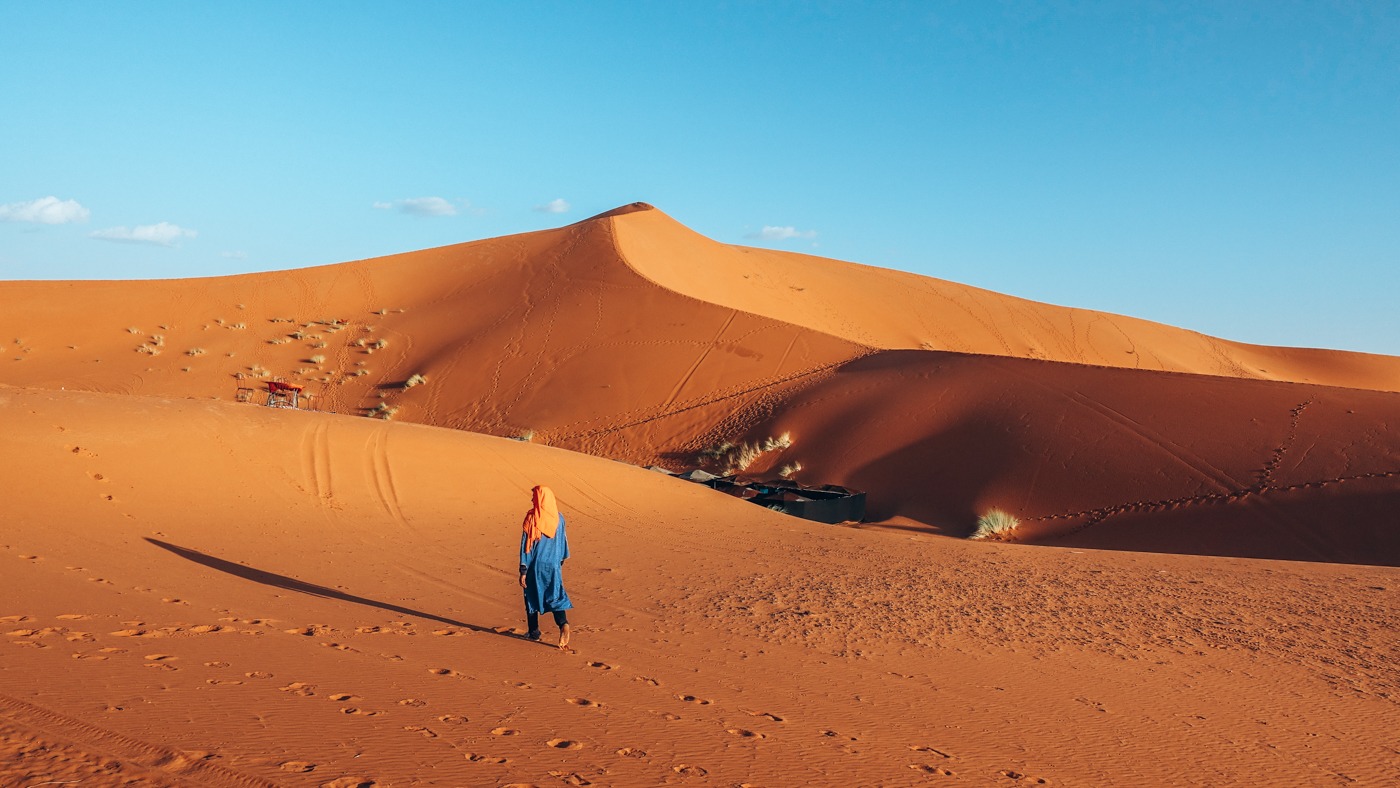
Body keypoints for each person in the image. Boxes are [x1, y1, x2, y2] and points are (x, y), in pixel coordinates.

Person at [518, 485, 572, 648]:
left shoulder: (532, 518)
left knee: (531, 595)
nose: (532, 499)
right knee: (554, 595)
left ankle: (534, 632)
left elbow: (525, 546)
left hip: (535, 564)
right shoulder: (559, 518)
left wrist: (523, 570)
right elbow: (563, 541)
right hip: (553, 565)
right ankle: (563, 624)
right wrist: (559, 562)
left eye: (534, 497)